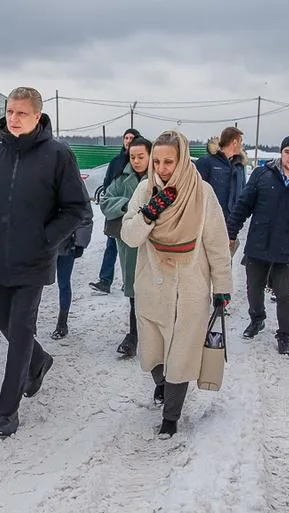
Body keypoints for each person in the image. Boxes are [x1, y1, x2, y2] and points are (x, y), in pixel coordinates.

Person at [0, 86, 89, 437]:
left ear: (37, 116)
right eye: (9, 111)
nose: (13, 118)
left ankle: (7, 411)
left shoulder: (58, 154)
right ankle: (40, 360)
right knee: (4, 322)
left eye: (21, 113)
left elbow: (77, 208)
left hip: (34, 261)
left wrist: (45, 239)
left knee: (20, 331)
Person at [121, 131, 231, 439]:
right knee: (155, 350)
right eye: (157, 161)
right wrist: (149, 213)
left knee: (181, 353)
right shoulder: (145, 190)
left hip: (191, 286)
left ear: (182, 160)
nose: (162, 168)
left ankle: (171, 415)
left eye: (169, 161)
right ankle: (163, 384)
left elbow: (217, 244)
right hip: (153, 284)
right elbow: (129, 236)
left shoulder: (202, 193)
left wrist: (222, 286)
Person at [227, 134, 289, 355]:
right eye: (287, 152)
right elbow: (243, 205)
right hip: (259, 243)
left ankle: (284, 335)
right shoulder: (263, 175)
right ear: (281, 153)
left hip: (288, 249)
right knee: (254, 287)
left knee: (284, 293)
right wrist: (230, 232)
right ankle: (257, 319)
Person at [99, 136, 151, 357]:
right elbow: (105, 201)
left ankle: (157, 335)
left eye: (141, 156)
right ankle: (133, 336)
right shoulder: (122, 178)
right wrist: (129, 206)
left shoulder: (160, 179)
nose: (137, 161)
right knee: (133, 290)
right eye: (133, 157)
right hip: (129, 244)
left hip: (155, 244)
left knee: (156, 290)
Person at [89, 127, 141, 294]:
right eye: (126, 137)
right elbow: (107, 184)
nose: (128, 140)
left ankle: (130, 281)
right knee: (111, 245)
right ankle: (105, 280)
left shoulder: (143, 163)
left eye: (132, 138)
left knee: (134, 252)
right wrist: (116, 201)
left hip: (136, 217)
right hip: (117, 213)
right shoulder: (116, 162)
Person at [51, 203, 94, 339]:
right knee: (35, 284)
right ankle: (30, 323)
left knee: (63, 283)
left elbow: (85, 214)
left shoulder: (72, 183)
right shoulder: (39, 182)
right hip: (44, 244)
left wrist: (80, 242)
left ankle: (62, 323)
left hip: (66, 244)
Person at [194, 126, 247, 221]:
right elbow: (195, 192)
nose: (242, 146)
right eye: (241, 142)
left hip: (232, 221)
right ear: (234, 142)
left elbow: (243, 192)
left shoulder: (239, 166)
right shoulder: (206, 162)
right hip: (210, 221)